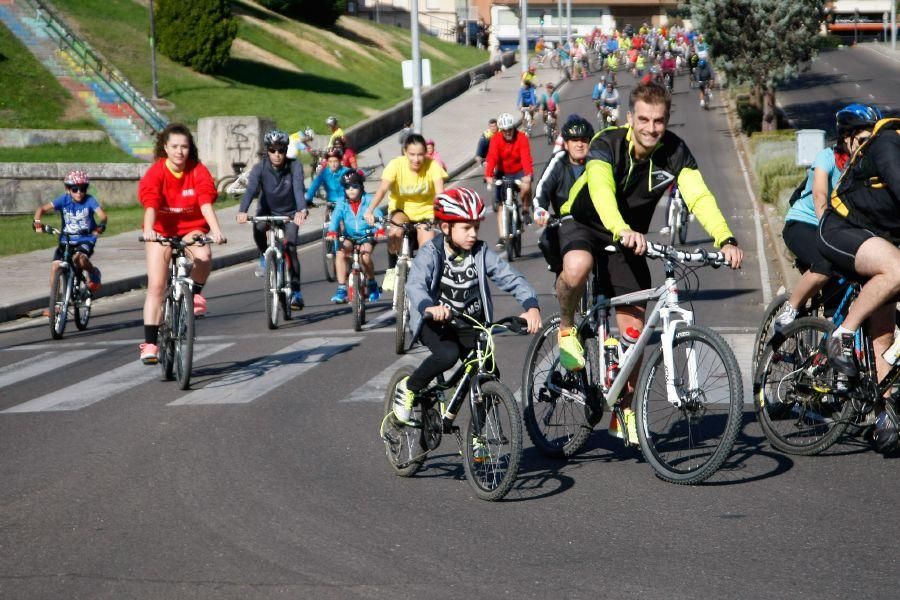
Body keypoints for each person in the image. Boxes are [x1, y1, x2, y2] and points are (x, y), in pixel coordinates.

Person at [555, 82, 743, 442]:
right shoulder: (605, 144)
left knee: (635, 332)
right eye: (643, 119)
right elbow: (600, 190)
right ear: (630, 118)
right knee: (577, 267)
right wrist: (620, 227)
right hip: (586, 222)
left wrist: (725, 238)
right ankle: (566, 329)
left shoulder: (674, 151)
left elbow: (698, 195)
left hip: (629, 239)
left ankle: (623, 408)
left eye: (658, 121)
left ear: (667, 120)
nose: (650, 128)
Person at [391, 188, 542, 425]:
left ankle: (477, 439)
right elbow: (416, 284)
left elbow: (510, 277)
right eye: (466, 228)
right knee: (448, 355)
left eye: (476, 228)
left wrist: (531, 305)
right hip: (435, 322)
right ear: (445, 228)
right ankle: (409, 387)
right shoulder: (432, 252)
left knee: (488, 375)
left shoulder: (481, 253)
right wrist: (428, 307)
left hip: (470, 322)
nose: (473, 234)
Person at [817, 111, 899, 410]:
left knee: (884, 338)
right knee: (898, 269)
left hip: (878, 242)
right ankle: (843, 334)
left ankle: (884, 415)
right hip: (841, 229)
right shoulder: (887, 142)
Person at [773, 105, 880, 332]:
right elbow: (820, 195)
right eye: (862, 140)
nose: (867, 147)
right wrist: (826, 231)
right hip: (805, 223)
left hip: (839, 231)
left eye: (872, 141)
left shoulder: (867, 167)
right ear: (846, 138)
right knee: (825, 265)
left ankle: (830, 340)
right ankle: (791, 308)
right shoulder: (827, 157)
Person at [137, 123, 226, 364]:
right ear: (165, 147)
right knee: (156, 285)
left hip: (191, 229)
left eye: (184, 147)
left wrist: (216, 231)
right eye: (174, 146)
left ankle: (195, 293)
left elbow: (206, 200)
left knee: (204, 256)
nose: (179, 152)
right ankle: (151, 344)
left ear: (190, 149)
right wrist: (148, 231)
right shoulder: (157, 172)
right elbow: (151, 202)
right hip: (161, 231)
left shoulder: (197, 170)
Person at [364, 133, 447, 292]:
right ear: (405, 152)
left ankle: (422, 280)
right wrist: (370, 210)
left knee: (427, 247)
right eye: (412, 154)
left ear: (426, 154)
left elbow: (440, 194)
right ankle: (392, 270)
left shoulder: (433, 166)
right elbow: (382, 189)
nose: (416, 159)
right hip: (402, 210)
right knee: (395, 231)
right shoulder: (396, 165)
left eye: (420, 155)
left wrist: (441, 215)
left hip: (425, 211)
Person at [236, 129, 308, 310]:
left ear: (286, 150)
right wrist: (242, 211)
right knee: (259, 227)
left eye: (281, 150)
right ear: (267, 151)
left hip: (290, 212)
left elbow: (299, 189)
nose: (277, 155)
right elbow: (251, 190)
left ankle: (296, 292)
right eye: (273, 150)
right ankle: (263, 255)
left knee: (291, 246)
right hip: (267, 210)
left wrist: (301, 209)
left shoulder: (294, 166)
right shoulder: (259, 168)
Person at [532, 116, 595, 274]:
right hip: (564, 222)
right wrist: (540, 209)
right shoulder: (558, 161)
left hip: (595, 222)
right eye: (574, 140)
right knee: (546, 241)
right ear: (566, 144)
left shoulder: (598, 162)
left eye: (584, 140)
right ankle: (560, 274)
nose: (579, 145)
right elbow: (542, 188)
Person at [33, 170, 107, 293]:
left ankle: (93, 272)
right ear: (68, 189)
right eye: (75, 189)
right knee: (56, 266)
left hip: (85, 239)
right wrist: (37, 222)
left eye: (83, 189)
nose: (79, 192)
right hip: (66, 239)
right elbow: (42, 209)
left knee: (80, 260)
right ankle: (55, 304)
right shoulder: (64, 199)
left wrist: (100, 226)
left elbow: (103, 216)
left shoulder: (89, 200)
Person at [326, 169, 385, 304]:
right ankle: (341, 289)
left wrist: (380, 229)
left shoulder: (369, 200)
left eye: (355, 186)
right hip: (350, 237)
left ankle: (371, 283)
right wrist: (332, 231)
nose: (351, 190)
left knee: (365, 256)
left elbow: (378, 214)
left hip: (367, 236)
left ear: (361, 186)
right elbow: (335, 217)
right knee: (341, 253)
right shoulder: (342, 202)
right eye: (347, 187)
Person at [483, 111, 534, 249]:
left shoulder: (522, 138)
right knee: (501, 205)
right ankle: (502, 237)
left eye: (510, 129)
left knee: (526, 187)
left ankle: (524, 210)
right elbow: (492, 157)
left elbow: (525, 157)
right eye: (504, 131)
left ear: (514, 127)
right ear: (501, 130)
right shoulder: (496, 139)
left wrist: (528, 175)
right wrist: (488, 176)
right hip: (503, 172)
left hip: (519, 171)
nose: (508, 133)